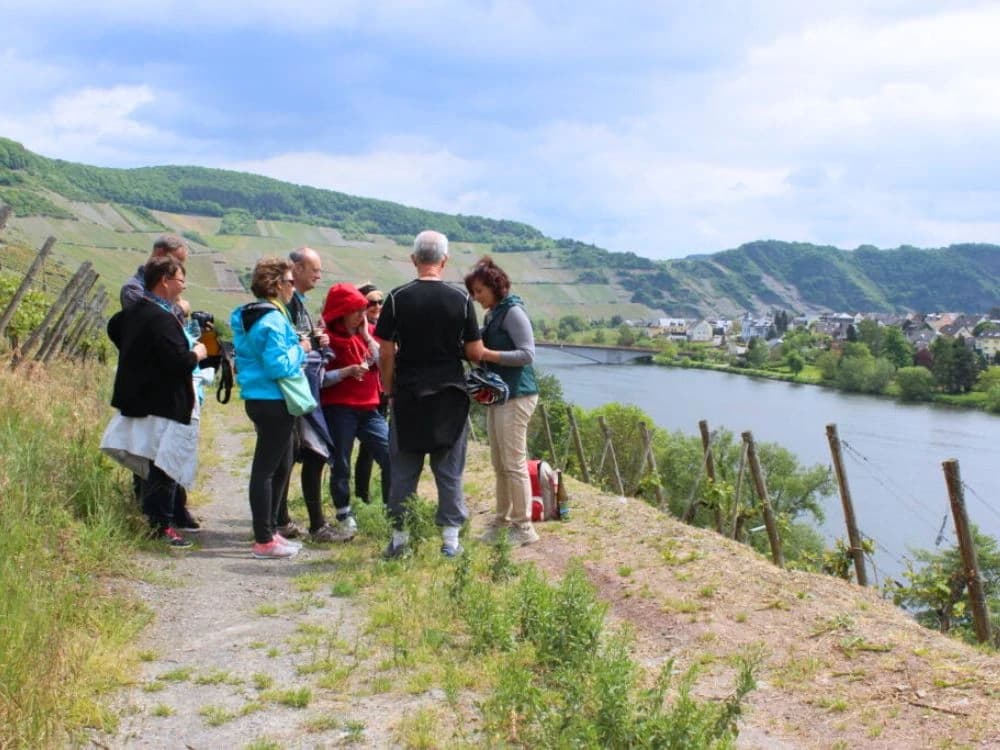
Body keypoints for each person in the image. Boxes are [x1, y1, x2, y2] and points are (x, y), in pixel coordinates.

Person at [375, 230, 484, 558]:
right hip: (450, 397)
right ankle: (450, 541)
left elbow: (385, 352)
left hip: (408, 396)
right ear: (444, 261)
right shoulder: (462, 300)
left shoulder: (396, 298)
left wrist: (389, 389)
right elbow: (474, 352)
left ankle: (400, 540)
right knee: (449, 471)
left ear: (414, 259)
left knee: (404, 471)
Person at [102, 256, 208, 548]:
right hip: (163, 402)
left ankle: (151, 521)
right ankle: (162, 527)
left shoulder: (134, 311)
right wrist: (197, 353)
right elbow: (177, 362)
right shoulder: (161, 316)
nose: (183, 287)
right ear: (164, 280)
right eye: (180, 280)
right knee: (164, 465)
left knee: (147, 462)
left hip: (141, 397)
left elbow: (115, 329)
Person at [230, 257, 312, 559]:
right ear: (277, 285)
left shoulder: (247, 315)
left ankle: (271, 532)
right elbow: (279, 365)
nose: (293, 288)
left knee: (281, 463)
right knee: (266, 470)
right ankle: (264, 540)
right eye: (290, 282)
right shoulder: (274, 319)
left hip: (260, 397)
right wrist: (301, 350)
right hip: (274, 399)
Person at [119, 233, 201, 530]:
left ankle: (171, 513)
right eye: (179, 270)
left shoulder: (158, 303)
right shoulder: (137, 293)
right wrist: (194, 349)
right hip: (151, 391)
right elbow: (144, 327)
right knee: (154, 455)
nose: (183, 281)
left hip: (163, 387)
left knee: (164, 454)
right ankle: (158, 520)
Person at [274, 246, 350, 543]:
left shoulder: (298, 302)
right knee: (297, 454)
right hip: (293, 392)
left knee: (297, 455)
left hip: (301, 391)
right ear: (296, 268)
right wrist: (311, 343)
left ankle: (284, 520)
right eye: (314, 269)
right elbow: (293, 345)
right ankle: (293, 523)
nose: (318, 274)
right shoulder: (287, 304)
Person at [464, 257, 541, 546]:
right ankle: (502, 519)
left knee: (513, 463)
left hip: (518, 395)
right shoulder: (493, 314)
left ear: (495, 287)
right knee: (499, 462)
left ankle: (524, 528)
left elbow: (527, 354)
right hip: (501, 396)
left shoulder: (513, 312)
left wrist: (488, 355)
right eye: (473, 293)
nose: (476, 297)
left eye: (479, 291)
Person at [319, 283, 391, 531]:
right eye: (356, 311)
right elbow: (319, 378)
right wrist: (346, 372)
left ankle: (393, 511)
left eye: (363, 310)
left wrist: (366, 336)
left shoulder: (364, 334)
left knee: (391, 453)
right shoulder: (326, 339)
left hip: (369, 408)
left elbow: (380, 359)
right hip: (339, 408)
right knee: (341, 462)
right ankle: (343, 512)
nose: (362, 316)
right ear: (341, 312)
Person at [353, 282, 385, 504]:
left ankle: (365, 497)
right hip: (363, 395)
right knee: (367, 450)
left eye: (380, 302)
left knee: (370, 450)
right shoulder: (364, 331)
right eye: (371, 302)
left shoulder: (381, 327)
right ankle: (360, 498)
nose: (377, 306)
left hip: (380, 392)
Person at [121, 234, 189, 313]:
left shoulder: (167, 287)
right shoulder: (133, 289)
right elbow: (148, 318)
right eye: (176, 261)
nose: (179, 268)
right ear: (159, 253)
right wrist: (180, 309)